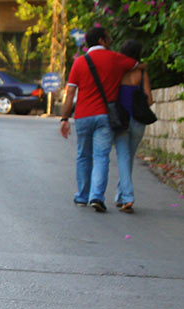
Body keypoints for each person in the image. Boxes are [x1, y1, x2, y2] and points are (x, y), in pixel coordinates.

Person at [59, 27, 139, 212]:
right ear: (102, 40)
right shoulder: (115, 58)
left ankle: (82, 196)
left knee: (83, 156)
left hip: (82, 116)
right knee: (101, 157)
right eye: (108, 38)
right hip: (104, 116)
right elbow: (135, 64)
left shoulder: (79, 62)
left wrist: (64, 118)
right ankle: (97, 196)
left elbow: (70, 92)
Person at [113, 40, 153, 213]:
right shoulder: (142, 73)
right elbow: (149, 99)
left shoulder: (118, 72)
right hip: (138, 121)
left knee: (123, 157)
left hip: (121, 120)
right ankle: (120, 196)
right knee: (128, 157)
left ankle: (127, 197)